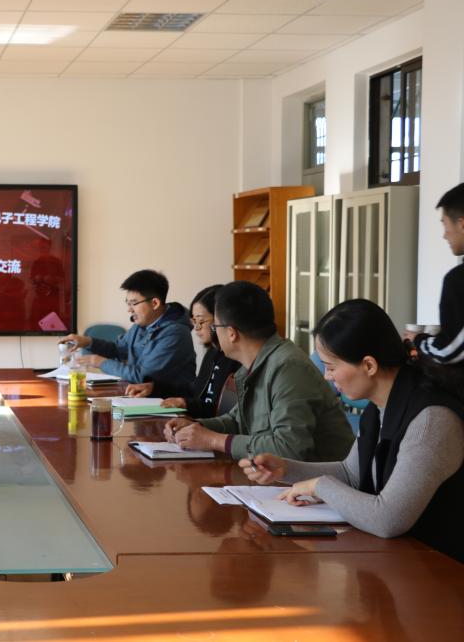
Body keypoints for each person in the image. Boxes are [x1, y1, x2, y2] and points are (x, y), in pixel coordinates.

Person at [239, 299, 464, 562]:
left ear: (369, 365)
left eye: (331, 367)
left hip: (443, 571)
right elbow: (352, 473)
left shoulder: (431, 421)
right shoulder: (380, 406)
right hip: (401, 559)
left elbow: (388, 519)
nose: (327, 376)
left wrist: (319, 486)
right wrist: (285, 469)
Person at [164, 281, 354, 461]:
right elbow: (237, 421)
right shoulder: (257, 364)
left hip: (320, 481)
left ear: (231, 333)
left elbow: (289, 448)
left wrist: (213, 440)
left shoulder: (288, 368)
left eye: (215, 327)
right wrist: (196, 426)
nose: (214, 333)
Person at [60, 269, 195, 394]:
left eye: (134, 303)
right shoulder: (142, 324)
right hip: (138, 396)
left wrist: (100, 362)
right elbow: (118, 349)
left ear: (155, 303)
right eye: (128, 303)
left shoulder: (175, 333)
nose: (129, 310)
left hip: (168, 404)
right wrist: (87, 341)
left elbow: (143, 376)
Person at [125, 284, 241, 419]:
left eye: (201, 321)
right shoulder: (212, 353)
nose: (196, 327)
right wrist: (153, 388)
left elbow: (223, 413)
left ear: (220, 319)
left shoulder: (234, 359)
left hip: (210, 427)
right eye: (194, 321)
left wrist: (186, 404)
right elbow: (193, 390)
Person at [409, 182, 464, 365]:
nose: (444, 235)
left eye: (445, 224)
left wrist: (417, 340)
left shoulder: (458, 280)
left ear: (461, 224)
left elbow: (449, 351)